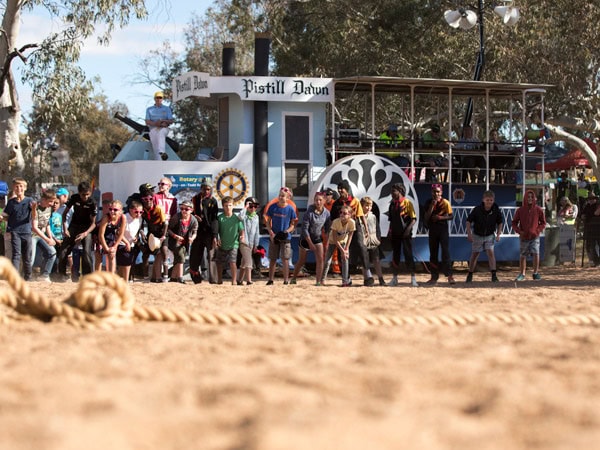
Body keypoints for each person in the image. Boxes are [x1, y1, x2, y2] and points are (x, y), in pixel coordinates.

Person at [330, 180, 375, 286]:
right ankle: (346, 278)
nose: (340, 190)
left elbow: (361, 215)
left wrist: (366, 229)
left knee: (361, 246)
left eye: (342, 188)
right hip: (342, 229)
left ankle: (367, 275)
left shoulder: (355, 201)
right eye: (339, 188)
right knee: (344, 251)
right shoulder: (336, 203)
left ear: (347, 189)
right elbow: (332, 219)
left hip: (355, 226)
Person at [57, 181, 97, 281]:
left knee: (86, 253)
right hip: (74, 226)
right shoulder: (74, 198)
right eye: (83, 195)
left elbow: (93, 224)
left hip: (86, 228)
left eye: (88, 194)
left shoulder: (92, 203)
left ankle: (87, 277)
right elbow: (64, 214)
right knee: (63, 251)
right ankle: (62, 275)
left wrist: (85, 233)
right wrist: (65, 228)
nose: (85, 197)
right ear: (79, 193)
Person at [291, 191, 331, 286]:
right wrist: (310, 244)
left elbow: (327, 229)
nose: (318, 202)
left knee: (320, 259)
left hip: (317, 237)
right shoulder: (309, 212)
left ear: (324, 201)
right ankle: (293, 278)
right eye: (316, 200)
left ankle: (318, 281)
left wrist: (328, 241)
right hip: (306, 237)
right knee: (302, 260)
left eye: (320, 200)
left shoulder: (327, 213)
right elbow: (304, 229)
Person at [0, 177, 35, 280]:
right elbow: (6, 216)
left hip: (27, 231)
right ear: (13, 188)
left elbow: (33, 216)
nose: (19, 188)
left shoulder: (30, 201)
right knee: (16, 254)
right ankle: (15, 277)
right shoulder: (11, 203)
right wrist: (2, 218)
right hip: (15, 231)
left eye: (21, 186)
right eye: (16, 186)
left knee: (27, 256)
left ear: (25, 188)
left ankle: (28, 276)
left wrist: (33, 209)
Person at [465, 190, 503, 283]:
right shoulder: (477, 209)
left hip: (489, 235)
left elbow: (500, 222)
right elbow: (468, 221)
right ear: (483, 200)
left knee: (490, 252)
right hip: (477, 235)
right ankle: (470, 274)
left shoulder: (496, 209)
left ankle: (494, 275)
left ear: (493, 200)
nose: (489, 202)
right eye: (487, 200)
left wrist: (498, 234)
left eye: (491, 200)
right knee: (475, 254)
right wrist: (469, 234)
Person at [264, 187, 298, 285]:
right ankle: (271, 279)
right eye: (279, 195)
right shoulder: (273, 207)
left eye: (283, 196)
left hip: (285, 237)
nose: (280, 197)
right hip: (275, 236)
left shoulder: (290, 209)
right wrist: (271, 233)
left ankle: (286, 280)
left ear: (288, 197)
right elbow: (267, 221)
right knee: (273, 258)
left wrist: (286, 232)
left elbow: (292, 225)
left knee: (285, 258)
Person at [387, 183, 418, 287]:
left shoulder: (407, 202)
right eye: (391, 191)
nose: (391, 194)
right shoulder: (392, 204)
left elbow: (413, 219)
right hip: (395, 234)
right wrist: (389, 232)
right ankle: (395, 278)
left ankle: (413, 278)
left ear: (399, 191)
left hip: (405, 234)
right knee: (395, 256)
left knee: (408, 254)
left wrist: (407, 230)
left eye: (393, 191)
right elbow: (391, 220)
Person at [512, 189, 547, 281]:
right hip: (524, 237)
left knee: (536, 253)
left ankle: (535, 273)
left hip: (534, 237)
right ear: (525, 198)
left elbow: (543, 223)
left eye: (532, 197)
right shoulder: (520, 210)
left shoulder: (538, 210)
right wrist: (520, 231)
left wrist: (537, 230)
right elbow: (514, 223)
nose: (530, 199)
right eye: (528, 197)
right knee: (523, 255)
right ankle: (522, 273)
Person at [424, 184, 455, 285]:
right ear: (431, 192)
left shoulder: (445, 202)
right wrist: (432, 207)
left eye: (438, 192)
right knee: (433, 253)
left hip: (443, 229)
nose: (436, 194)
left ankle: (449, 275)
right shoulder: (428, 202)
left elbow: (451, 216)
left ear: (441, 192)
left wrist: (440, 218)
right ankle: (434, 276)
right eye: (434, 192)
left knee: (445, 252)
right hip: (432, 230)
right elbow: (426, 217)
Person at [189, 182, 219, 284]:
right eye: (204, 189)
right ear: (201, 189)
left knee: (211, 256)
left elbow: (215, 219)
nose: (206, 191)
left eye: (208, 189)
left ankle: (213, 280)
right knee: (195, 255)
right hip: (197, 231)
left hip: (209, 232)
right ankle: (196, 278)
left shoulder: (213, 201)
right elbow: (189, 212)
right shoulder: (194, 199)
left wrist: (215, 235)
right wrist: (194, 216)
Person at [140, 187, 169, 282]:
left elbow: (165, 223)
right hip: (151, 233)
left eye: (150, 199)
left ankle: (165, 275)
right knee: (145, 254)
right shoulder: (142, 210)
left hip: (161, 232)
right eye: (145, 199)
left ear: (153, 199)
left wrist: (163, 236)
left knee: (164, 251)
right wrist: (141, 232)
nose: (148, 201)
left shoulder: (158, 208)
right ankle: (145, 277)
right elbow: (140, 222)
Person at [323, 205, 355, 287]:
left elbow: (350, 236)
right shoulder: (336, 222)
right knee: (327, 261)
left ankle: (345, 281)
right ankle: (322, 280)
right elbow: (335, 238)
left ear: (350, 215)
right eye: (341, 212)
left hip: (343, 241)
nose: (342, 215)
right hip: (333, 241)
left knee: (345, 259)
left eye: (345, 213)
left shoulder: (352, 222)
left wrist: (346, 249)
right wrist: (342, 251)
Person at [214, 196, 244, 285]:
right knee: (219, 262)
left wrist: (242, 236)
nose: (228, 207)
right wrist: (217, 238)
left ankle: (234, 280)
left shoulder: (236, 218)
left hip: (233, 244)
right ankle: (219, 279)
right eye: (226, 206)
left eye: (230, 205)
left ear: (233, 206)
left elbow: (241, 229)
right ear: (223, 206)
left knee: (233, 262)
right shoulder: (220, 218)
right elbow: (217, 230)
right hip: (222, 244)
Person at [167, 200, 198, 284]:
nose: (183, 211)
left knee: (178, 259)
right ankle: (180, 277)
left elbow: (195, 232)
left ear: (191, 210)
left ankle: (173, 277)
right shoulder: (176, 217)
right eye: (182, 208)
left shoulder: (193, 220)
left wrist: (192, 238)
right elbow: (168, 229)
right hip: (174, 241)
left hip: (185, 242)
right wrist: (175, 236)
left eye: (186, 209)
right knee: (181, 258)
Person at [31, 189, 57, 282]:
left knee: (52, 253)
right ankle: (26, 275)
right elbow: (34, 228)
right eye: (50, 201)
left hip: (42, 235)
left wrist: (50, 237)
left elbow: (47, 224)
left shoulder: (49, 209)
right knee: (30, 259)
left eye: (53, 201)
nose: (52, 204)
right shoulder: (36, 208)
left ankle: (44, 275)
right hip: (32, 235)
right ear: (43, 199)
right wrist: (47, 239)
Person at [116, 200, 144, 282]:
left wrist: (136, 238)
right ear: (131, 210)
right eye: (136, 212)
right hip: (121, 243)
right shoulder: (125, 217)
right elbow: (118, 233)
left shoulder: (140, 219)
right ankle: (126, 280)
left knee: (127, 263)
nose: (138, 214)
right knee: (126, 263)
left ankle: (121, 280)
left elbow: (136, 231)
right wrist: (126, 242)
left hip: (131, 244)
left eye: (141, 212)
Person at [360, 196, 385, 286]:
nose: (368, 208)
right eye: (366, 205)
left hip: (373, 239)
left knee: (376, 260)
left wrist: (378, 238)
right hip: (363, 241)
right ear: (362, 206)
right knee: (364, 260)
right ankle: (367, 278)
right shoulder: (359, 217)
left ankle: (381, 278)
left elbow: (377, 227)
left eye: (370, 206)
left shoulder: (373, 216)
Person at [97, 200, 126, 274]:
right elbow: (101, 235)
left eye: (115, 210)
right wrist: (106, 248)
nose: (112, 211)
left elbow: (121, 234)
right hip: (99, 237)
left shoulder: (123, 218)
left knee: (112, 255)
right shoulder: (106, 218)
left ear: (120, 211)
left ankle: (111, 276)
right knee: (99, 258)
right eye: (110, 209)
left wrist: (115, 246)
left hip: (111, 236)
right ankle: (97, 278)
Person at [238, 196, 261, 285]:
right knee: (249, 261)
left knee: (244, 262)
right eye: (251, 206)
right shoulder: (244, 216)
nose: (253, 208)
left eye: (255, 206)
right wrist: (245, 208)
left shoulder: (256, 217)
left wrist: (256, 244)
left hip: (251, 243)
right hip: (244, 242)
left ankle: (239, 280)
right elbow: (240, 216)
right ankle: (249, 280)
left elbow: (257, 232)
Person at [145, 91, 173, 161]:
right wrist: (156, 124)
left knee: (161, 133)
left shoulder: (167, 109)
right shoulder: (149, 109)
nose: (158, 99)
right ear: (154, 99)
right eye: (157, 98)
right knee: (155, 144)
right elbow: (147, 121)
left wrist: (164, 122)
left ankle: (162, 152)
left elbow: (171, 120)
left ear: (162, 99)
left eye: (160, 98)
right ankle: (159, 159)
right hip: (153, 128)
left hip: (164, 128)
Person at [580, 192, 600, 266]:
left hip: (597, 228)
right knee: (589, 245)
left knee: (598, 244)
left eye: (593, 198)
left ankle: (597, 260)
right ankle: (595, 261)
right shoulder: (587, 205)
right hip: (589, 228)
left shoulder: (597, 205)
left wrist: (587, 216)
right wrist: (582, 216)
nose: (591, 200)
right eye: (589, 199)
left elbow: (595, 213)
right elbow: (582, 214)